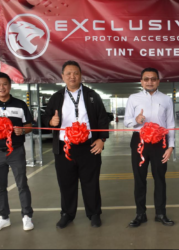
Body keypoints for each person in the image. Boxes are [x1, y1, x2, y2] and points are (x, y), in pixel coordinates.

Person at [42, 61, 109, 228]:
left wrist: (102, 139)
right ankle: (67, 214)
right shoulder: (57, 97)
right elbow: (43, 119)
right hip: (65, 148)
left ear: (81, 75)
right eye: (69, 73)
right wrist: (51, 121)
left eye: (76, 73)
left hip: (89, 147)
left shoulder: (92, 95)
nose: (72, 76)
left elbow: (103, 118)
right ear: (63, 76)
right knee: (66, 183)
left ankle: (94, 213)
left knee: (91, 182)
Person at [0, 72, 34, 232]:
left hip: (16, 151)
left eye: (4, 84)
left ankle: (27, 216)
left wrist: (22, 131)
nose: (1, 87)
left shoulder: (20, 105)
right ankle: (4, 218)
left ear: (9, 86)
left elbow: (29, 126)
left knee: (22, 184)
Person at [124, 67, 175, 227]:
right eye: (146, 79)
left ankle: (161, 213)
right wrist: (136, 120)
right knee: (139, 178)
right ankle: (140, 214)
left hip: (161, 142)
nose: (150, 82)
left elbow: (171, 124)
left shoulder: (166, 99)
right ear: (141, 81)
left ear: (158, 81)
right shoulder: (133, 98)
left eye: (153, 79)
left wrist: (171, 146)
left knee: (160, 178)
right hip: (140, 142)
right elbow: (126, 122)